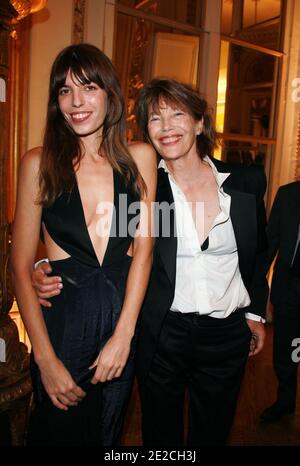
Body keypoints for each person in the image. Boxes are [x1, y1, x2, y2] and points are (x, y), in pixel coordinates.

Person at [32, 78, 269, 446]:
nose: (167, 127)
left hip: (227, 336)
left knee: (214, 432)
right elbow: (109, 247)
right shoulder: (143, 186)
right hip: (162, 334)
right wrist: (42, 267)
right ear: (146, 131)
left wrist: (255, 314)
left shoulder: (245, 183)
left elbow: (257, 254)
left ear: (200, 123)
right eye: (155, 119)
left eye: (178, 114)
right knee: (161, 439)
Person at [10, 43, 156, 446]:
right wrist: (45, 360)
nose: (76, 102)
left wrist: (124, 335)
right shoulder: (39, 163)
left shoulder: (140, 158)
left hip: (121, 324)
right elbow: (21, 265)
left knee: (107, 435)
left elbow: (145, 249)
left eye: (88, 87)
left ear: (110, 94)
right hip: (63, 329)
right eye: (64, 91)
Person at [260, 181, 300, 423]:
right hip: (288, 289)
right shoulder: (288, 195)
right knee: (286, 350)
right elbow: (270, 243)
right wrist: (253, 289)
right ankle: (285, 402)